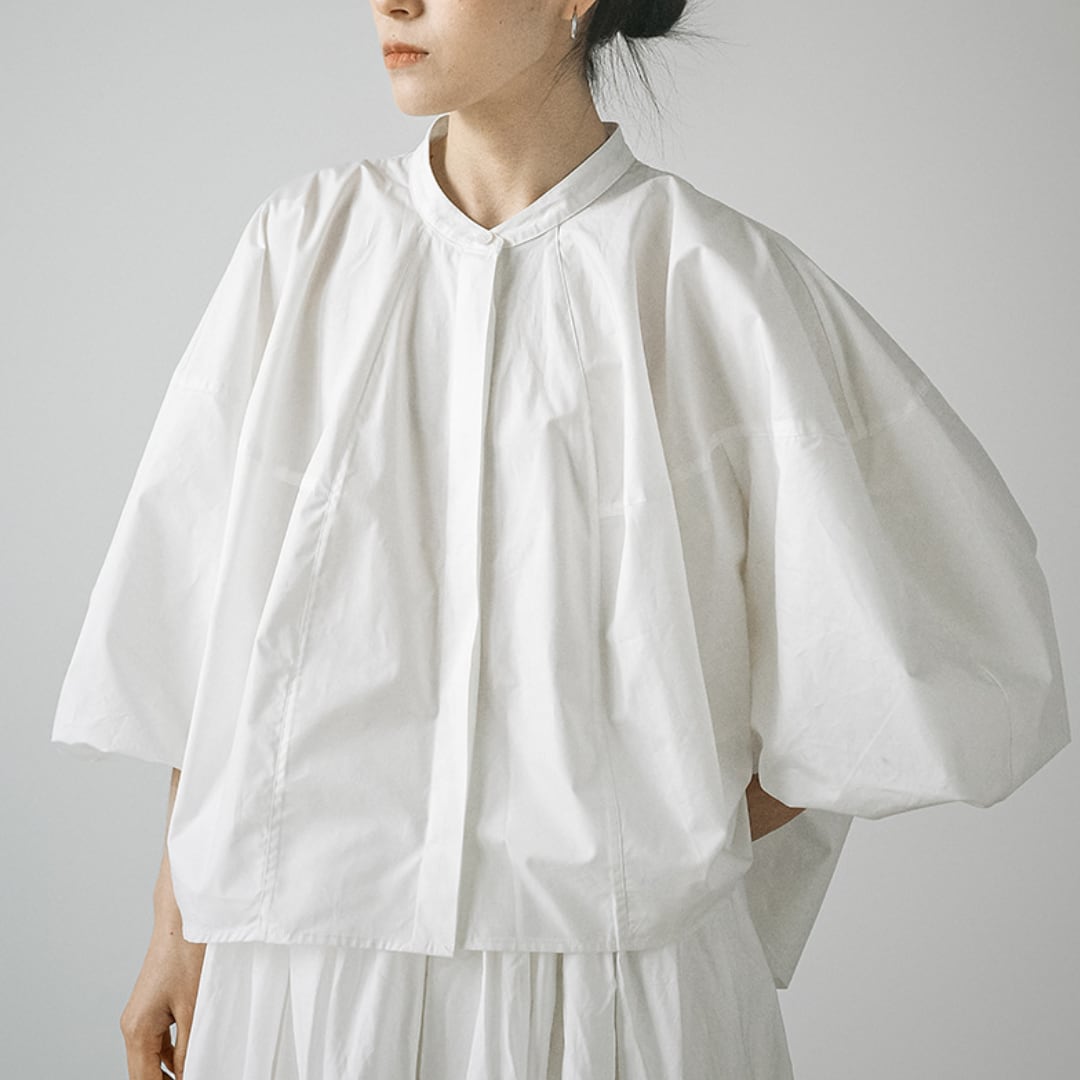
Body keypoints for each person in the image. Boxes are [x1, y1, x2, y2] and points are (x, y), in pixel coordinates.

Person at [50, 1, 1071, 1078]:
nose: (392, 2)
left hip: (613, 1000)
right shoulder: (301, 249)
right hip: (304, 980)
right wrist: (174, 930)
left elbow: (931, 635)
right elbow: (200, 629)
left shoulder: (714, 282)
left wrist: (664, 834)